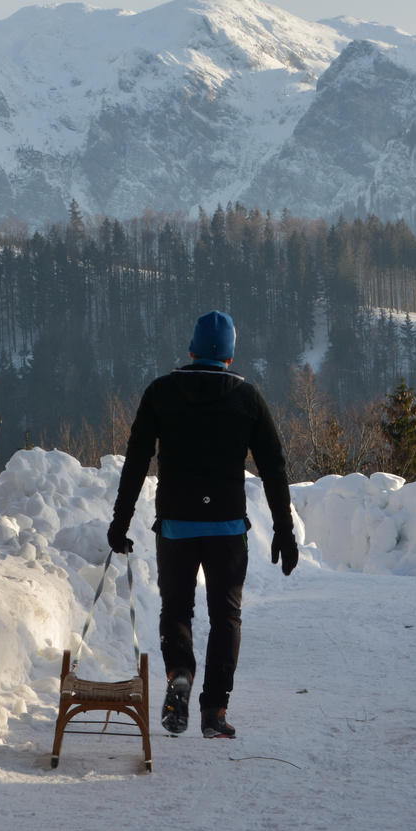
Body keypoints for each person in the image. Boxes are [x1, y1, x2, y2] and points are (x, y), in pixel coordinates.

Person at [107, 310, 299, 740]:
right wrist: (284, 531)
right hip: (227, 527)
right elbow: (274, 467)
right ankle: (214, 711)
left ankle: (180, 673)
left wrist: (120, 523)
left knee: (177, 609)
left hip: (177, 524)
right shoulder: (248, 399)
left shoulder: (160, 392)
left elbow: (136, 462)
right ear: (230, 356)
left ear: (191, 349)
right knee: (225, 616)